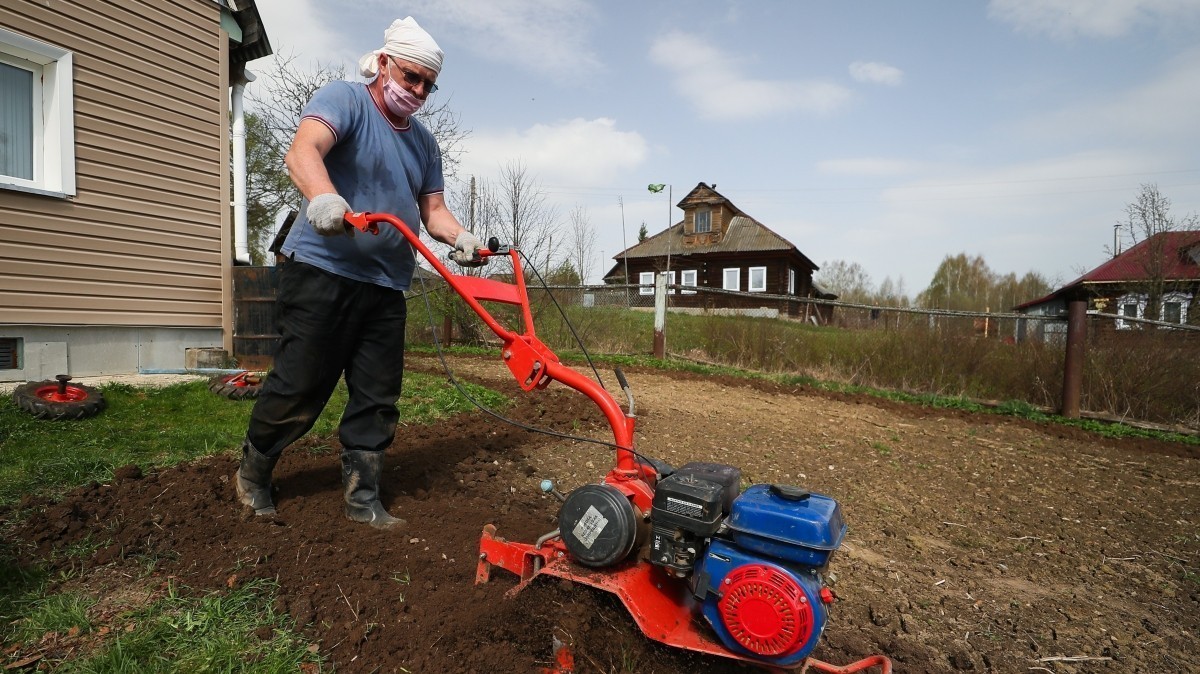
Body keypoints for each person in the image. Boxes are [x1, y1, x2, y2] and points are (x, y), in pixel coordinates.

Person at [235, 16, 485, 529]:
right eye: (410, 76)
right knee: (301, 383)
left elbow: (433, 210)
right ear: (385, 62)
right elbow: (304, 151)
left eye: (426, 85)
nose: (416, 90)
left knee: (377, 395)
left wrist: (461, 238)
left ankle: (362, 497)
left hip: (387, 286)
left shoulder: (424, 144)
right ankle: (254, 473)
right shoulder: (345, 99)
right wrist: (324, 196)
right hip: (324, 271)